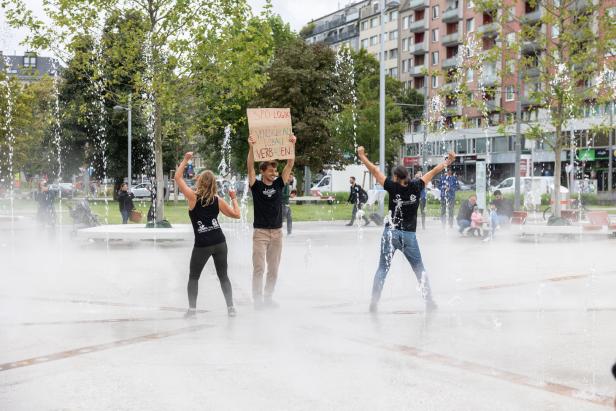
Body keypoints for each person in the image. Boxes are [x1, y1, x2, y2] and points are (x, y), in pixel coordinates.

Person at [357, 146, 456, 313]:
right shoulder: (418, 185)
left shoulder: (392, 186)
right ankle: (429, 301)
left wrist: (362, 156)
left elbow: (374, 171)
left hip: (391, 233)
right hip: (409, 236)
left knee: (382, 268)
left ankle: (374, 302)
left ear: (396, 177)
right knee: (419, 269)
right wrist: (450, 160)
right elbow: (435, 170)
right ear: (408, 176)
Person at [174, 152, 241, 318]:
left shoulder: (192, 197)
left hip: (203, 244)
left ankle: (192, 310)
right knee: (223, 276)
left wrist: (186, 159)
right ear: (213, 184)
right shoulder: (217, 200)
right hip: (219, 242)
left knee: (194, 277)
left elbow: (177, 177)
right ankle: (231, 308)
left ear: (199, 181)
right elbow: (236, 215)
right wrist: (234, 199)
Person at [247, 133, 297, 309]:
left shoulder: (278, 184)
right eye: (270, 171)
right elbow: (250, 168)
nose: (274, 173)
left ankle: (268, 297)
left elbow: (290, 164)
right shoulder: (256, 185)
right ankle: (257, 300)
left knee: (274, 270)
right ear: (263, 172)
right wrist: (252, 147)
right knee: (259, 268)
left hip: (276, 233)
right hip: (260, 233)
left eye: (275, 171)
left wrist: (292, 145)